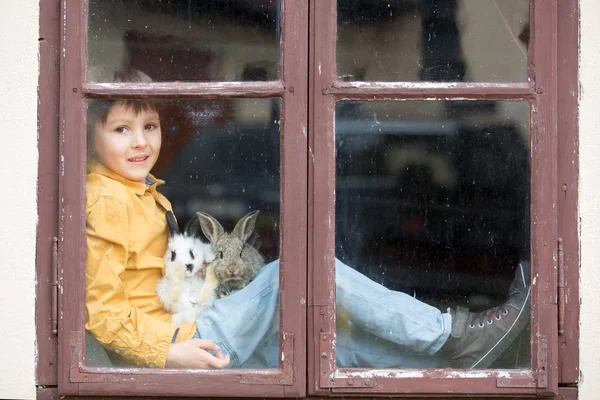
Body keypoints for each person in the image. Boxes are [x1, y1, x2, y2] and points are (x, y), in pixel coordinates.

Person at [85, 66, 530, 371]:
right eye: (122, 129)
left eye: (150, 126)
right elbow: (102, 312)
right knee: (297, 271)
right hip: (176, 347)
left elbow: (147, 285)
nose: (140, 142)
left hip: (187, 332)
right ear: (91, 134)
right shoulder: (106, 201)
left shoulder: (138, 194)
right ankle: (451, 334)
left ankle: (464, 361)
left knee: (332, 345)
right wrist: (169, 352)